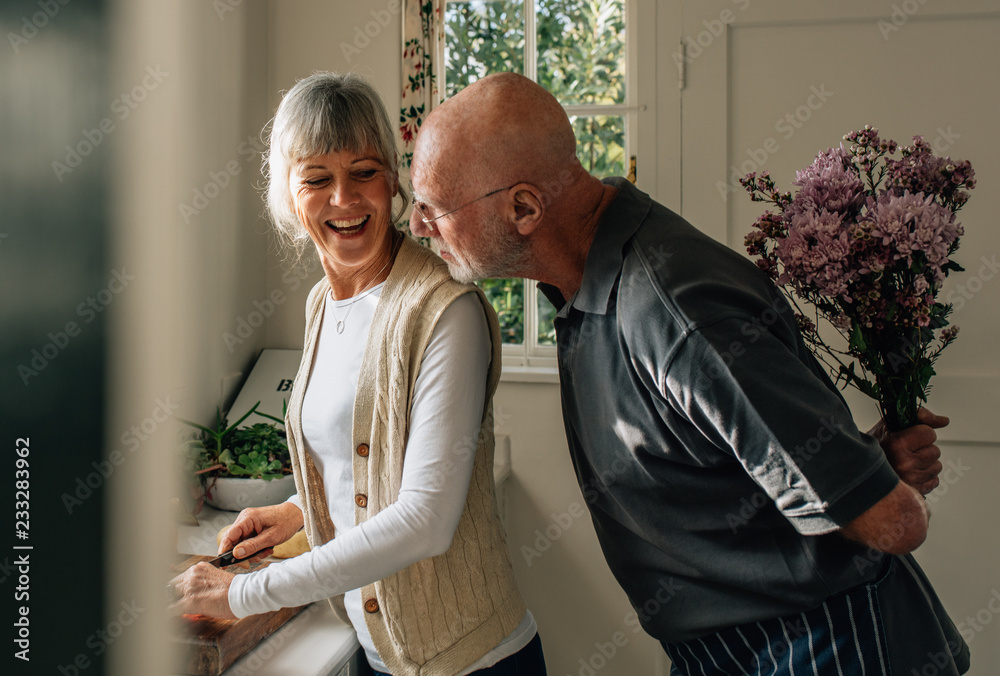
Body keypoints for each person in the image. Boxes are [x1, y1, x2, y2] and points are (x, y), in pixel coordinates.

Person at [407, 72, 970, 675]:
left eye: (434, 208)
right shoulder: (587, 282)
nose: (418, 226)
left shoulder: (676, 312)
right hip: (734, 650)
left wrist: (875, 487)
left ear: (524, 207)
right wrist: (866, 461)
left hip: (827, 645)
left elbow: (896, 522)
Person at [171, 72, 546, 676]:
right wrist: (298, 510)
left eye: (364, 171)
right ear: (289, 196)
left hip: (473, 662)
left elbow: (424, 520)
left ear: (393, 180)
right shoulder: (323, 303)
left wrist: (239, 595)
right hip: (378, 653)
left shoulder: (444, 310)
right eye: (317, 178)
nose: (344, 198)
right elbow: (365, 463)